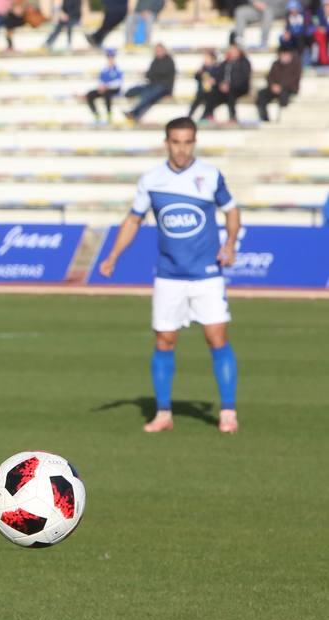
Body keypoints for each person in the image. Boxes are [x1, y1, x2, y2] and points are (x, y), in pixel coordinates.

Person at [97, 117, 240, 435]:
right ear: (167, 142)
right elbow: (134, 220)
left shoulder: (210, 175)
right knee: (164, 340)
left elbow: (231, 209)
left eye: (188, 141)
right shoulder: (152, 180)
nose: (182, 149)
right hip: (169, 275)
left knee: (216, 338)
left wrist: (229, 243)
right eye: (176, 141)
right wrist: (113, 255)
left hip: (206, 275)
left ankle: (228, 411)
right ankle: (163, 413)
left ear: (194, 142)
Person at [123, 43, 177, 122]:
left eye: (159, 50)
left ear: (164, 51)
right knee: (134, 90)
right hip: (152, 85)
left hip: (164, 87)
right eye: (156, 51)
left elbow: (160, 74)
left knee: (148, 94)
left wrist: (152, 75)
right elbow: (149, 75)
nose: (158, 52)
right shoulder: (155, 60)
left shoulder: (169, 61)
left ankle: (134, 113)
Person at [201, 43, 252, 122]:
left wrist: (229, 85)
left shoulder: (244, 62)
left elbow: (243, 78)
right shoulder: (225, 63)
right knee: (211, 92)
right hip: (224, 87)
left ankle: (232, 116)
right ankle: (207, 115)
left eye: (234, 50)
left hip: (239, 87)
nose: (232, 52)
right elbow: (218, 75)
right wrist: (219, 83)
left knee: (230, 92)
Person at [255, 46, 302, 119]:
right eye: (282, 54)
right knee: (261, 94)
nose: (284, 56)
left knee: (284, 95)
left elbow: (294, 79)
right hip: (274, 88)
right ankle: (264, 118)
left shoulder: (295, 65)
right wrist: (272, 85)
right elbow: (269, 76)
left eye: (286, 54)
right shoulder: (275, 64)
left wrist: (281, 86)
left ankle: (283, 118)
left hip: (289, 89)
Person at [86, 48, 124, 123]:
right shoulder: (104, 70)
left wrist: (106, 86)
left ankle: (109, 114)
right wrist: (101, 86)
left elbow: (118, 83)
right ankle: (96, 114)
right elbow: (100, 80)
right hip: (104, 89)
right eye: (109, 58)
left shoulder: (118, 69)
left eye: (111, 58)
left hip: (114, 89)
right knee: (90, 94)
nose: (110, 60)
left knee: (107, 94)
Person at [187, 49, 220, 119]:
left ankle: (206, 115)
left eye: (207, 58)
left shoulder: (217, 68)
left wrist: (214, 81)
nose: (205, 60)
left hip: (212, 91)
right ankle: (189, 115)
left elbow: (219, 79)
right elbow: (196, 77)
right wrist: (199, 73)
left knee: (210, 100)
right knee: (197, 100)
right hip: (202, 90)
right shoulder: (203, 68)